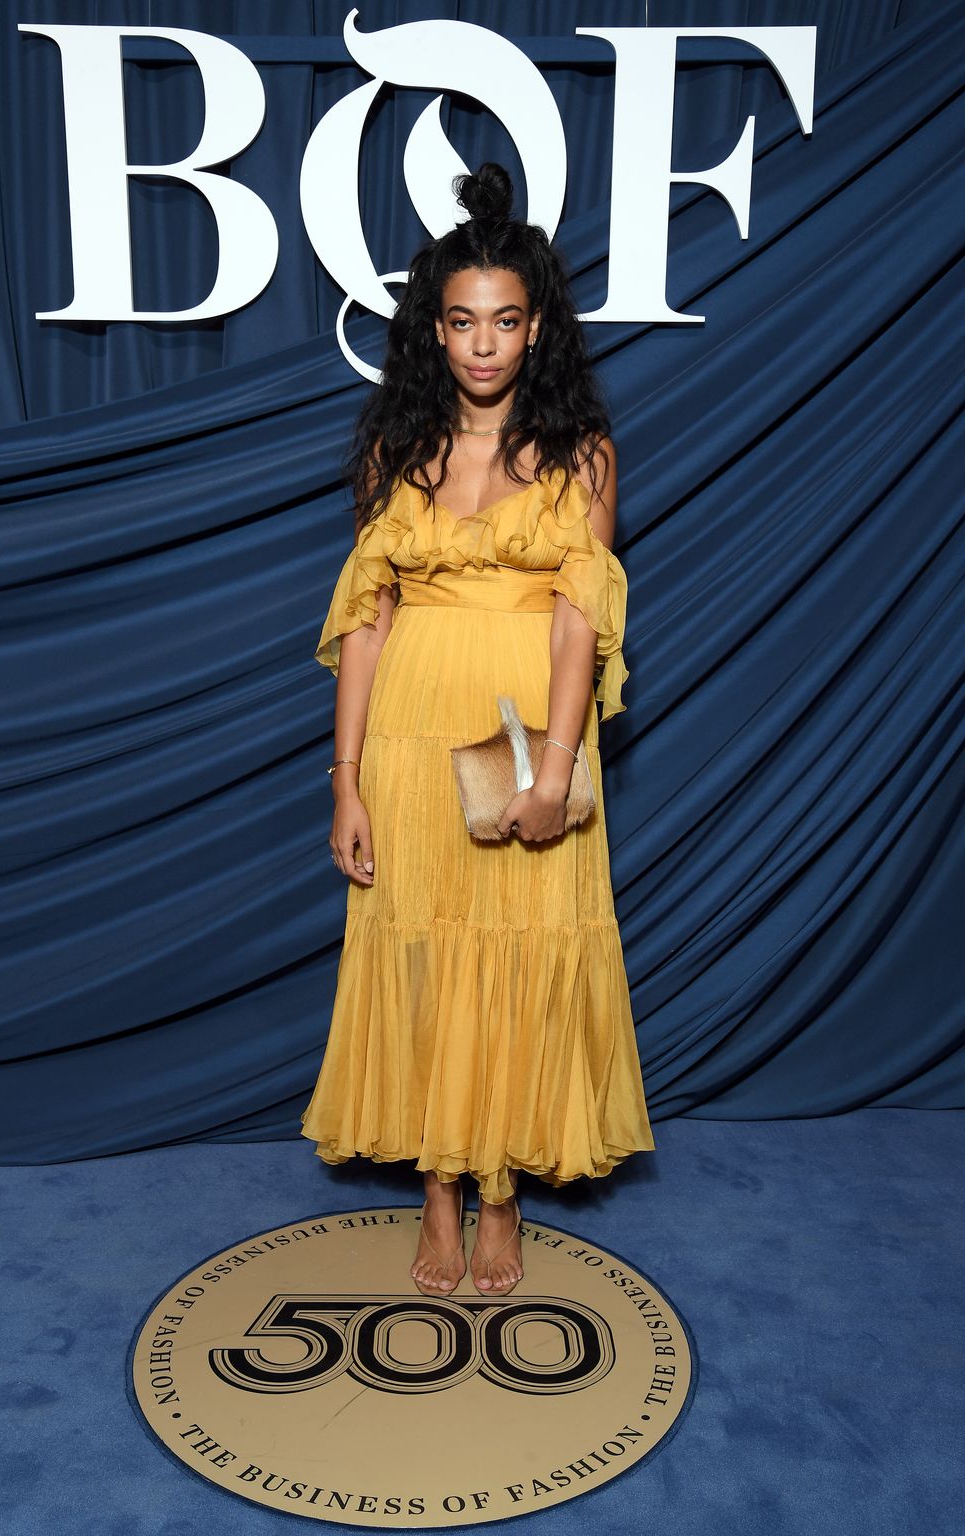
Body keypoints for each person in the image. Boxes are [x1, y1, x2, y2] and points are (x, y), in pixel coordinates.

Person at [302, 162, 655, 1299]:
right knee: (421, 954)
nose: (484, 344)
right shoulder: (394, 451)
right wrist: (346, 780)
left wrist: (555, 768)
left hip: (522, 738)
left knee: (516, 951)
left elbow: (580, 624)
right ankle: (440, 1189)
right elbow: (366, 622)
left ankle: (499, 1189)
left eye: (505, 320)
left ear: (537, 326)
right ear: (435, 331)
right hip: (409, 741)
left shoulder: (581, 454)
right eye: (462, 322)